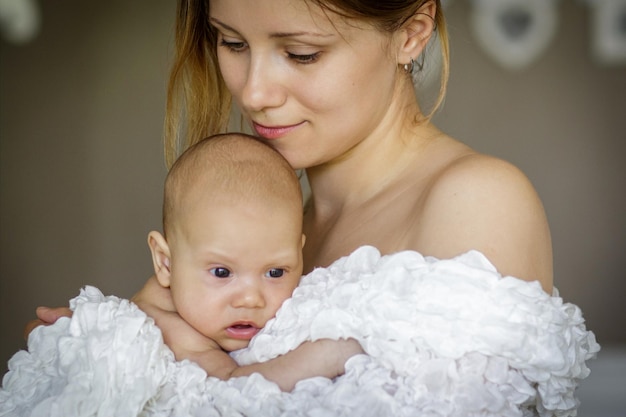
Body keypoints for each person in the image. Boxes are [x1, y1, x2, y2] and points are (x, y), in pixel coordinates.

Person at [28, 0, 553, 378]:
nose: (253, 93)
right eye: (232, 43)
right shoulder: (275, 224)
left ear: (412, 33)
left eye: (301, 53)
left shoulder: (477, 199)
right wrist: (112, 348)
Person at [139, 132, 362, 391]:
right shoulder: (165, 324)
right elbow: (231, 385)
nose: (250, 299)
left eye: (275, 272)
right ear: (166, 263)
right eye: (222, 272)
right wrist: (327, 356)